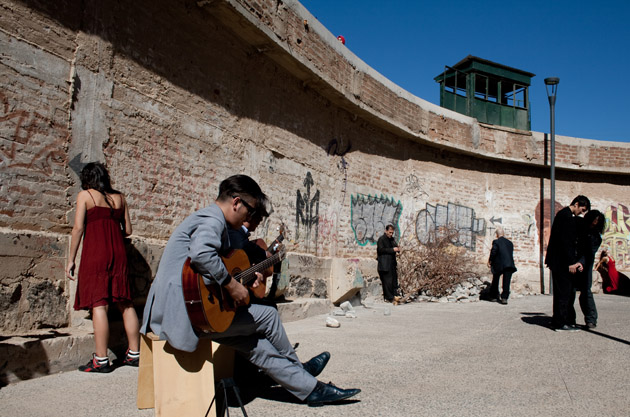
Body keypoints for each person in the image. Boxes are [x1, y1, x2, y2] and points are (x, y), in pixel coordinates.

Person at [140, 175, 360, 407]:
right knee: (268, 316)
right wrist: (232, 285)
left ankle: (310, 389)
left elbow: (204, 272)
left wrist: (243, 281)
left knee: (254, 343)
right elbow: (201, 254)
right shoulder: (212, 219)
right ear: (236, 203)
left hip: (184, 313)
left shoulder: (208, 218)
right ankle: (303, 374)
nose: (249, 217)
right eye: (250, 210)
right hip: (184, 317)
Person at [65, 162, 140, 372]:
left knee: (99, 304)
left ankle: (101, 360)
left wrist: (71, 259)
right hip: (119, 253)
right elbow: (128, 230)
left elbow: (78, 228)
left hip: (96, 253)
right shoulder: (120, 198)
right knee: (125, 302)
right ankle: (134, 354)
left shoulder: (85, 196)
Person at [544, 195, 590, 332]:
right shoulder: (566, 217)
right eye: (582, 209)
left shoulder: (563, 214)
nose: (581, 213)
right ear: (576, 204)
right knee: (564, 293)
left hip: (558, 261)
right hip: (562, 263)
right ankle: (561, 323)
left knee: (562, 293)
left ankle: (558, 321)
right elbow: (566, 242)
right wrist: (571, 263)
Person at [573, 210, 605, 328]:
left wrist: (581, 262)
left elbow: (589, 253)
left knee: (586, 292)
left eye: (596, 222)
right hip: (572, 263)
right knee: (570, 292)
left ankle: (591, 319)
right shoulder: (579, 229)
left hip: (585, 265)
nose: (594, 223)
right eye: (593, 221)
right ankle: (568, 318)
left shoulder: (596, 237)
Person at [487, 226, 517, 305]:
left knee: (495, 279)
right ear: (503, 234)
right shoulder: (510, 243)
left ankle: (494, 296)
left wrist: (490, 261)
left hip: (499, 264)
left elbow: (493, 252)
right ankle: (504, 298)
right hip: (509, 264)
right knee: (507, 281)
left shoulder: (496, 242)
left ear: (497, 235)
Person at [377, 224, 400, 303]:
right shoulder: (381, 239)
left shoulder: (392, 239)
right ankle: (389, 298)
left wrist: (397, 249)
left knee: (393, 281)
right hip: (385, 264)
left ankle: (394, 296)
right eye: (390, 232)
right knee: (387, 282)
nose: (391, 234)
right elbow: (381, 250)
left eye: (392, 233)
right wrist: (392, 250)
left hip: (392, 264)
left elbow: (395, 246)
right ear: (386, 231)